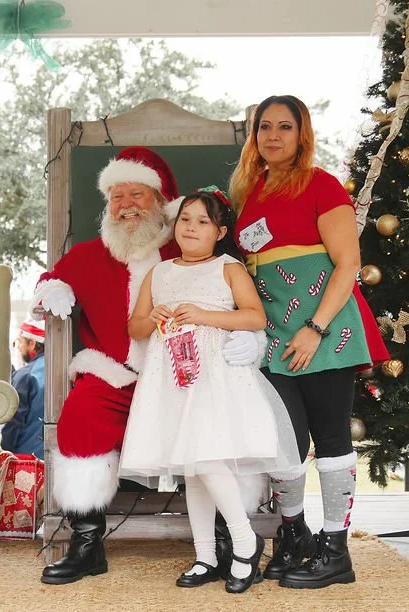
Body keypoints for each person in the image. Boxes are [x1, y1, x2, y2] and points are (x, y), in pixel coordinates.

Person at [32, 147, 265, 585]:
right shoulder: (89, 254)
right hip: (115, 376)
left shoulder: (191, 251)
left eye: (136, 194)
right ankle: (87, 543)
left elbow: (242, 304)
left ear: (162, 201)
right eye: (117, 197)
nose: (126, 206)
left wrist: (250, 340)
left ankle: (226, 536)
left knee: (212, 431)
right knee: (81, 415)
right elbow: (51, 281)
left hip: (188, 379)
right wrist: (53, 290)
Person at [227, 95, 388, 589]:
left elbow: (348, 264)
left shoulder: (322, 185)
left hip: (324, 331)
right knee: (286, 444)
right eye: (264, 127)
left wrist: (314, 328)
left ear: (303, 134)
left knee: (331, 439)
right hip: (272, 333)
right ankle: (294, 536)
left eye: (285, 127)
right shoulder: (249, 191)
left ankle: (336, 550)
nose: (273, 136)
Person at [122, 189, 299, 593]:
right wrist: (152, 316)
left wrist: (203, 315)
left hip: (214, 377)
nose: (191, 227)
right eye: (185, 219)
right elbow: (135, 328)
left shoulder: (228, 267)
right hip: (171, 378)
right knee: (192, 466)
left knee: (206, 459)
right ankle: (205, 556)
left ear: (220, 231)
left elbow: (255, 316)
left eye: (203, 222)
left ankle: (244, 539)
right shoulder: (160, 272)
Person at [2, 319, 46, 458]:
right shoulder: (64, 370)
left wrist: (4, 452)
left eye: (20, 342)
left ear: (32, 343)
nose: (19, 348)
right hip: (58, 458)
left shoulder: (26, 375)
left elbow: (13, 421)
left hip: (26, 458)